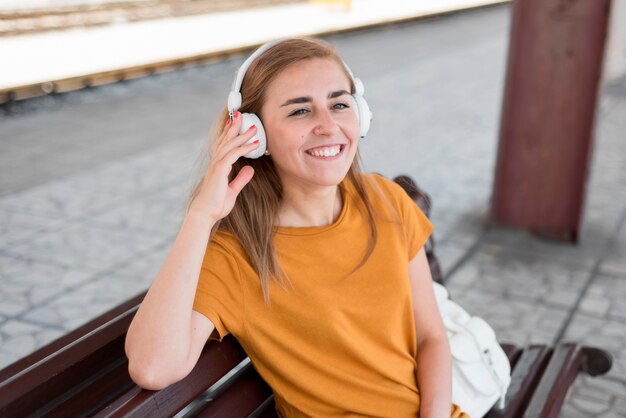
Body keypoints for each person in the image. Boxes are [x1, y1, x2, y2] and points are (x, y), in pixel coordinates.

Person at [125, 38, 467, 418]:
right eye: (300, 111)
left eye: (339, 104)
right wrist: (200, 216)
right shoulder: (239, 254)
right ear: (254, 135)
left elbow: (431, 336)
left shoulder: (386, 199)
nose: (328, 125)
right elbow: (153, 367)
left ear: (362, 114)